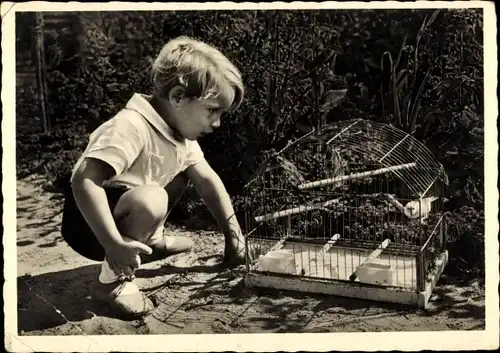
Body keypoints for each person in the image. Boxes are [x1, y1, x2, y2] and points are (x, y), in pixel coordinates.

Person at [61, 36, 246, 318]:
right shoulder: (131, 125)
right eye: (212, 111)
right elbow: (83, 181)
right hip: (90, 226)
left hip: (122, 210)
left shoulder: (178, 133)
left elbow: (208, 183)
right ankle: (112, 281)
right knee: (153, 197)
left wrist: (233, 236)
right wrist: (113, 244)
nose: (217, 123)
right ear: (178, 97)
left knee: (186, 174)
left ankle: (150, 240)